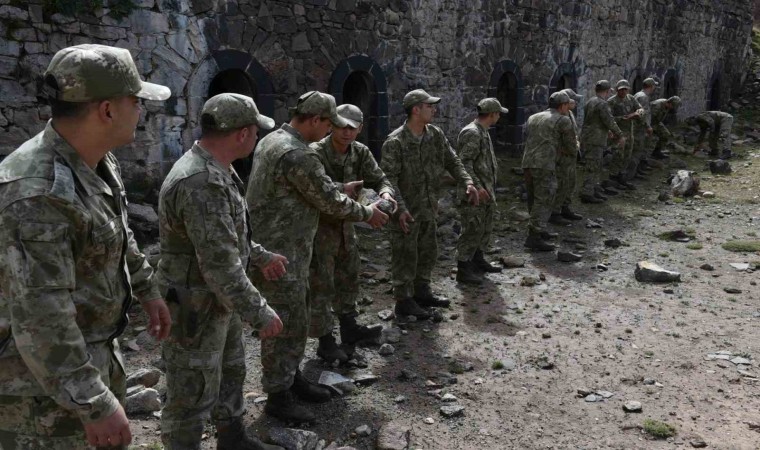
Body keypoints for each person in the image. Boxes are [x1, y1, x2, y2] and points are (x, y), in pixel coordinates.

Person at [0, 44, 172, 450]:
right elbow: (42, 316)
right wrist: (93, 402)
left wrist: (147, 290)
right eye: (136, 101)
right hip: (41, 398)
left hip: (90, 361)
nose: (141, 111)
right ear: (107, 110)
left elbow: (119, 233)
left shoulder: (97, 161)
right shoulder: (37, 192)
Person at [245, 91, 388, 424]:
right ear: (314, 120)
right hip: (281, 253)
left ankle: (290, 378)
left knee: (293, 320)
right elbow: (329, 202)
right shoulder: (298, 153)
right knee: (283, 323)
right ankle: (278, 396)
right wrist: (368, 213)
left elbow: (302, 187)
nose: (330, 131)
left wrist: (337, 187)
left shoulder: (273, 140)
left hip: (281, 247)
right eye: (328, 125)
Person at [157, 93, 287, 450]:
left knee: (231, 369)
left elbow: (226, 235)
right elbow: (219, 264)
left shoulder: (217, 169)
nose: (257, 138)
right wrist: (259, 311)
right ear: (243, 133)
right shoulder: (202, 181)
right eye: (255, 131)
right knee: (191, 390)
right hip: (193, 304)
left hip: (216, 300)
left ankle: (233, 440)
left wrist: (259, 255)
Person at [309, 104, 395, 364]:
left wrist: (386, 194)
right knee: (321, 284)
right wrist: (342, 188)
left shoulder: (360, 152)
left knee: (348, 277)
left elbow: (380, 178)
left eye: (352, 127)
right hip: (320, 229)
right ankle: (325, 340)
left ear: (360, 128)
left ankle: (349, 327)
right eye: (342, 126)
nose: (346, 132)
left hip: (347, 227)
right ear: (332, 125)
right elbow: (314, 188)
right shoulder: (315, 152)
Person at [381, 89, 478, 318]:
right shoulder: (395, 142)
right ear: (416, 109)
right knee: (405, 255)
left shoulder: (435, 134)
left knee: (427, 251)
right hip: (406, 211)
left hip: (428, 206)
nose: (434, 110)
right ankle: (404, 301)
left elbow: (452, 160)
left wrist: (467, 181)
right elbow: (388, 179)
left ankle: (422, 291)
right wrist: (400, 209)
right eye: (429, 106)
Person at [455, 98, 507, 285]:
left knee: (483, 227)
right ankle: (463, 268)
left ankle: (477, 259)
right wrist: (477, 186)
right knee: (471, 229)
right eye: (498, 113)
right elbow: (464, 162)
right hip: (474, 193)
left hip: (485, 190)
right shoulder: (472, 133)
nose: (499, 116)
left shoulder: (482, 131)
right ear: (492, 114)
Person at [521, 91, 577, 252]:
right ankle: (534, 236)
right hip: (545, 163)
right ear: (563, 105)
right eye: (567, 105)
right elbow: (570, 145)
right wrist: (573, 151)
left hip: (528, 162)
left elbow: (527, 136)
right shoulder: (563, 120)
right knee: (545, 198)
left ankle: (539, 229)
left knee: (534, 198)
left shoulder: (533, 117)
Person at [578, 80, 625, 204]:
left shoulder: (590, 101)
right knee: (593, 166)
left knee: (595, 164)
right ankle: (587, 192)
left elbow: (594, 120)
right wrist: (620, 135)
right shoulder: (602, 104)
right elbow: (609, 120)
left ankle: (593, 188)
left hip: (589, 137)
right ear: (607, 91)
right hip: (595, 139)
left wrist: (607, 131)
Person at [551, 88, 584, 225]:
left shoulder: (569, 114)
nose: (575, 103)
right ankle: (555, 212)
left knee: (571, 182)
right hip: (561, 156)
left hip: (571, 155)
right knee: (561, 184)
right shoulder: (557, 117)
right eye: (573, 100)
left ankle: (565, 207)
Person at [606, 80, 644, 190]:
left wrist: (638, 113)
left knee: (627, 155)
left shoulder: (631, 98)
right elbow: (609, 118)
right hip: (617, 134)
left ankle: (622, 176)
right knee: (617, 155)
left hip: (629, 133)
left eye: (625, 89)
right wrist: (626, 117)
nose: (623, 92)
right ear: (617, 90)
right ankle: (612, 178)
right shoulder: (611, 101)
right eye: (621, 90)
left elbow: (640, 108)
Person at [627, 78, 657, 180]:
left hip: (637, 128)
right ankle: (630, 175)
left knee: (636, 151)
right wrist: (647, 126)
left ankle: (635, 171)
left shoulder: (638, 95)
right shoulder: (643, 97)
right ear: (651, 86)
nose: (654, 88)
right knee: (636, 152)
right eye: (654, 86)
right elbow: (641, 114)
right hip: (639, 129)